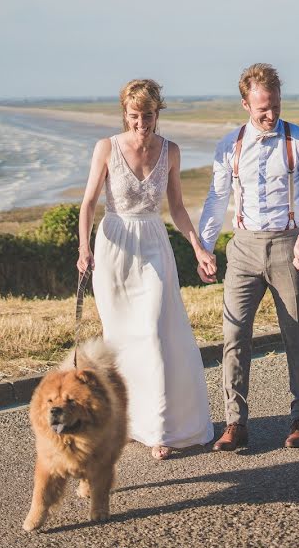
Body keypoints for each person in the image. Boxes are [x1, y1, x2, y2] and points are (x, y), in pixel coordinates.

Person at [77, 79, 216, 460]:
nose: (142, 123)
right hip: (115, 246)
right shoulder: (106, 147)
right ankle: (126, 424)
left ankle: (160, 430)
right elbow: (89, 202)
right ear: (125, 114)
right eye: (135, 116)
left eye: (149, 116)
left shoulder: (171, 151)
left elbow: (177, 208)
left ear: (159, 113)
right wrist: (84, 247)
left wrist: (199, 248)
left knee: (155, 333)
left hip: (154, 243)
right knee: (120, 340)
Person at [197, 63, 299, 450]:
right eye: (261, 109)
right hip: (242, 247)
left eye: (274, 106)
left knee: (296, 334)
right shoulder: (229, 145)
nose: (270, 115)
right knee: (234, 334)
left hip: (288, 243)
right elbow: (217, 198)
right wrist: (206, 247)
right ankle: (235, 423)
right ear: (245, 104)